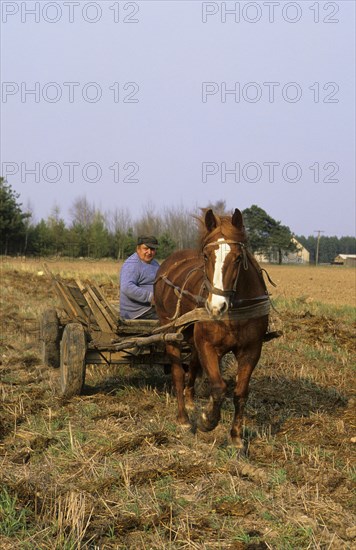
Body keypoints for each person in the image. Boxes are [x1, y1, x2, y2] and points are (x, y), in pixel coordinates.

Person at [119, 235, 160, 319]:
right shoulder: (132, 264)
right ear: (138, 249)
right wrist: (151, 297)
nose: (149, 252)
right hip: (138, 312)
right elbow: (127, 287)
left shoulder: (155, 263)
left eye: (152, 249)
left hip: (153, 308)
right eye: (146, 248)